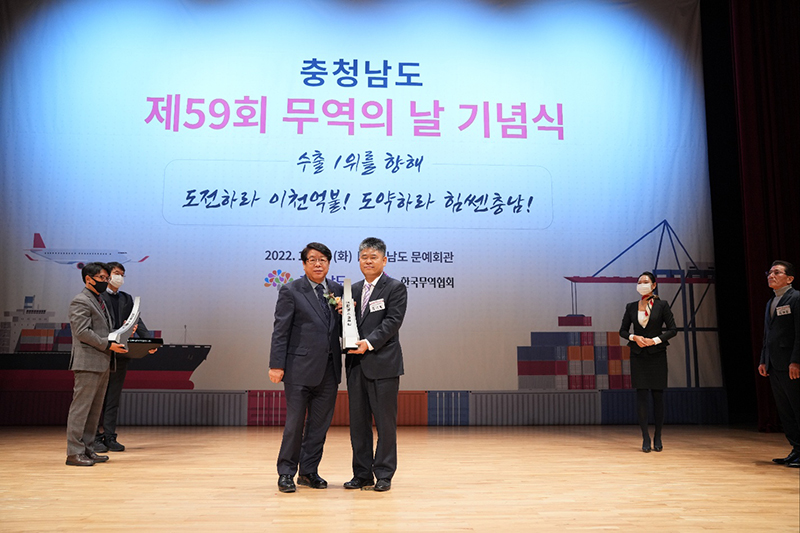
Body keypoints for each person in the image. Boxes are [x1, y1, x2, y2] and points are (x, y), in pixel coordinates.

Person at [269, 242, 343, 493]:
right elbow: (280, 331)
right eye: (313, 260)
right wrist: (276, 365)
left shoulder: (337, 290)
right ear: (304, 264)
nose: (318, 264)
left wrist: (347, 314)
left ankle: (309, 472)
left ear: (329, 264)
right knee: (294, 424)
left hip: (329, 370)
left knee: (319, 426)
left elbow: (341, 329)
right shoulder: (291, 290)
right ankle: (286, 472)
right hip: (298, 369)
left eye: (323, 260)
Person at [344, 237, 407, 492]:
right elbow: (347, 325)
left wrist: (368, 343)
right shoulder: (352, 290)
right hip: (355, 365)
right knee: (358, 424)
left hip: (383, 365)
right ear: (358, 260)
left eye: (373, 257)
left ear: (384, 260)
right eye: (364, 257)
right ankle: (361, 474)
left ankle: (383, 474)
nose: (368, 261)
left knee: (384, 424)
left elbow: (392, 322)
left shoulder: (395, 288)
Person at [65, 262, 128, 466]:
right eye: (102, 278)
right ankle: (74, 453)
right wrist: (107, 345)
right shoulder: (81, 300)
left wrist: (125, 332)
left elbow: (105, 331)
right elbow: (82, 332)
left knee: (94, 411)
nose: (106, 281)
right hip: (88, 363)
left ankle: (88, 450)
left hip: (102, 362)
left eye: (106, 278)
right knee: (81, 409)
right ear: (88, 279)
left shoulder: (99, 300)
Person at [94, 261, 154, 453]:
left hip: (120, 354)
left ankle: (110, 436)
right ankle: (94, 437)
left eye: (122, 274)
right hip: (101, 352)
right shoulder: (97, 297)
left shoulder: (126, 298)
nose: (119, 277)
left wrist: (149, 342)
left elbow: (137, 321)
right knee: (96, 399)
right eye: (116, 273)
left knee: (113, 398)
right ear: (107, 276)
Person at [619, 271, 676, 453]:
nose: (642, 284)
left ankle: (658, 436)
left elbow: (673, 329)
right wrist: (634, 337)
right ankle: (645, 437)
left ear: (654, 285)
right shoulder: (631, 307)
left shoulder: (662, 305)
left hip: (657, 354)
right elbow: (622, 331)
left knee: (658, 396)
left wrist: (655, 340)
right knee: (641, 396)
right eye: (639, 282)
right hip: (638, 354)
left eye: (645, 282)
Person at [758, 260, 800, 468]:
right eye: (770, 272)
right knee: (785, 411)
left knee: (797, 407)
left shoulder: (796, 298)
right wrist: (763, 359)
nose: (771, 275)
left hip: (790, 364)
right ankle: (796, 449)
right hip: (774, 364)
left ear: (789, 278)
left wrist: (796, 360)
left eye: (777, 272)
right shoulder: (771, 302)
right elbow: (768, 335)